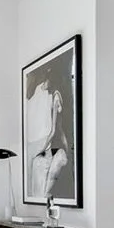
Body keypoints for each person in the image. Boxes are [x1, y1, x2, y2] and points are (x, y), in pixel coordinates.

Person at [24, 62, 71, 201]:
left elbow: (54, 130)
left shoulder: (54, 96)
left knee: (55, 164)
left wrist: (41, 148)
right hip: (41, 143)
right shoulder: (40, 90)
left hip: (45, 143)